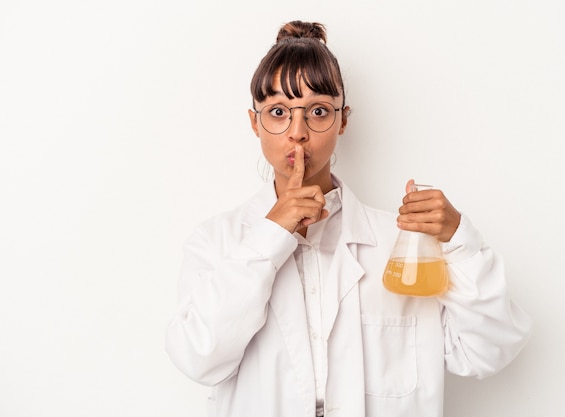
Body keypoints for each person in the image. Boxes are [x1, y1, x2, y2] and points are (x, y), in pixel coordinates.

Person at [165, 20, 531, 417]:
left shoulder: (401, 246)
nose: (298, 132)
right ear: (255, 122)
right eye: (278, 112)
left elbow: (488, 350)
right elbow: (197, 357)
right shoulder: (217, 242)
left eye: (318, 111)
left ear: (343, 120)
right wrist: (269, 236)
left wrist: (460, 241)